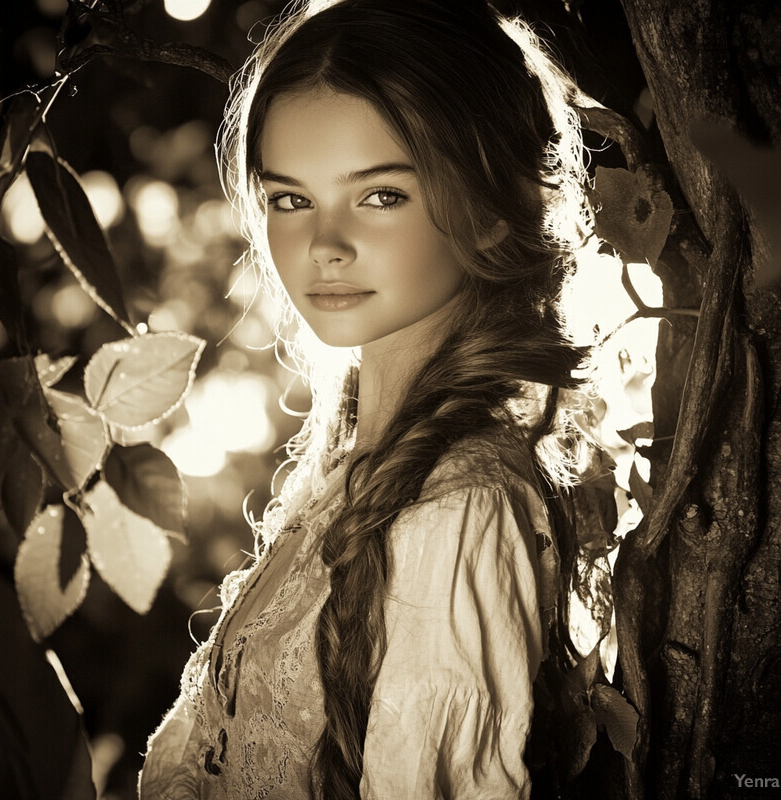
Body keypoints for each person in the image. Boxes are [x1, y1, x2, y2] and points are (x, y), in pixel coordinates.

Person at [140, 0, 595, 797]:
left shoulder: (460, 512)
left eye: (380, 194)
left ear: (490, 207)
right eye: (290, 199)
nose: (324, 244)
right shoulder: (354, 473)